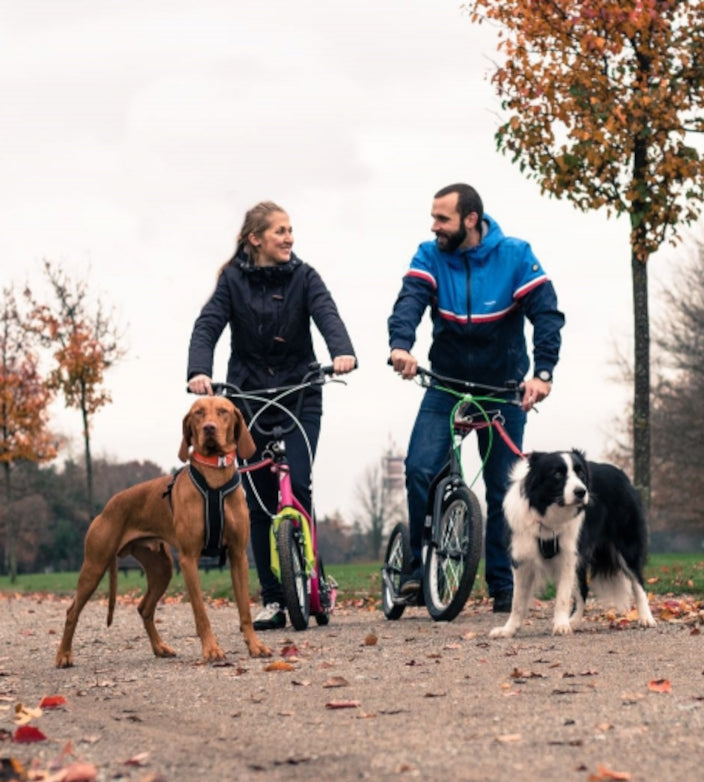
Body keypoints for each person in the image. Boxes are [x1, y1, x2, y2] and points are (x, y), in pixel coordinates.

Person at [387, 183, 565, 613]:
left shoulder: (516, 256)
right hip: (445, 382)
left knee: (505, 487)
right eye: (433, 218)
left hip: (501, 387)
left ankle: (504, 587)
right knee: (420, 468)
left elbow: (546, 314)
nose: (434, 227)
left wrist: (542, 374)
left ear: (470, 220)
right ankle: (416, 568)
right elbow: (410, 301)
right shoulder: (429, 255)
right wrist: (400, 346)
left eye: (442, 219)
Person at [187, 201, 356, 630]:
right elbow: (208, 324)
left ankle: (311, 579)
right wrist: (200, 371)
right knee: (260, 500)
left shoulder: (305, 276)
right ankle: (274, 599)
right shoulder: (232, 281)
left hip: (300, 392)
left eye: (291, 230)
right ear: (255, 239)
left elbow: (326, 313)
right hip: (248, 397)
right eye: (280, 231)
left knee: (297, 483)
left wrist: (342, 351)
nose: (289, 238)